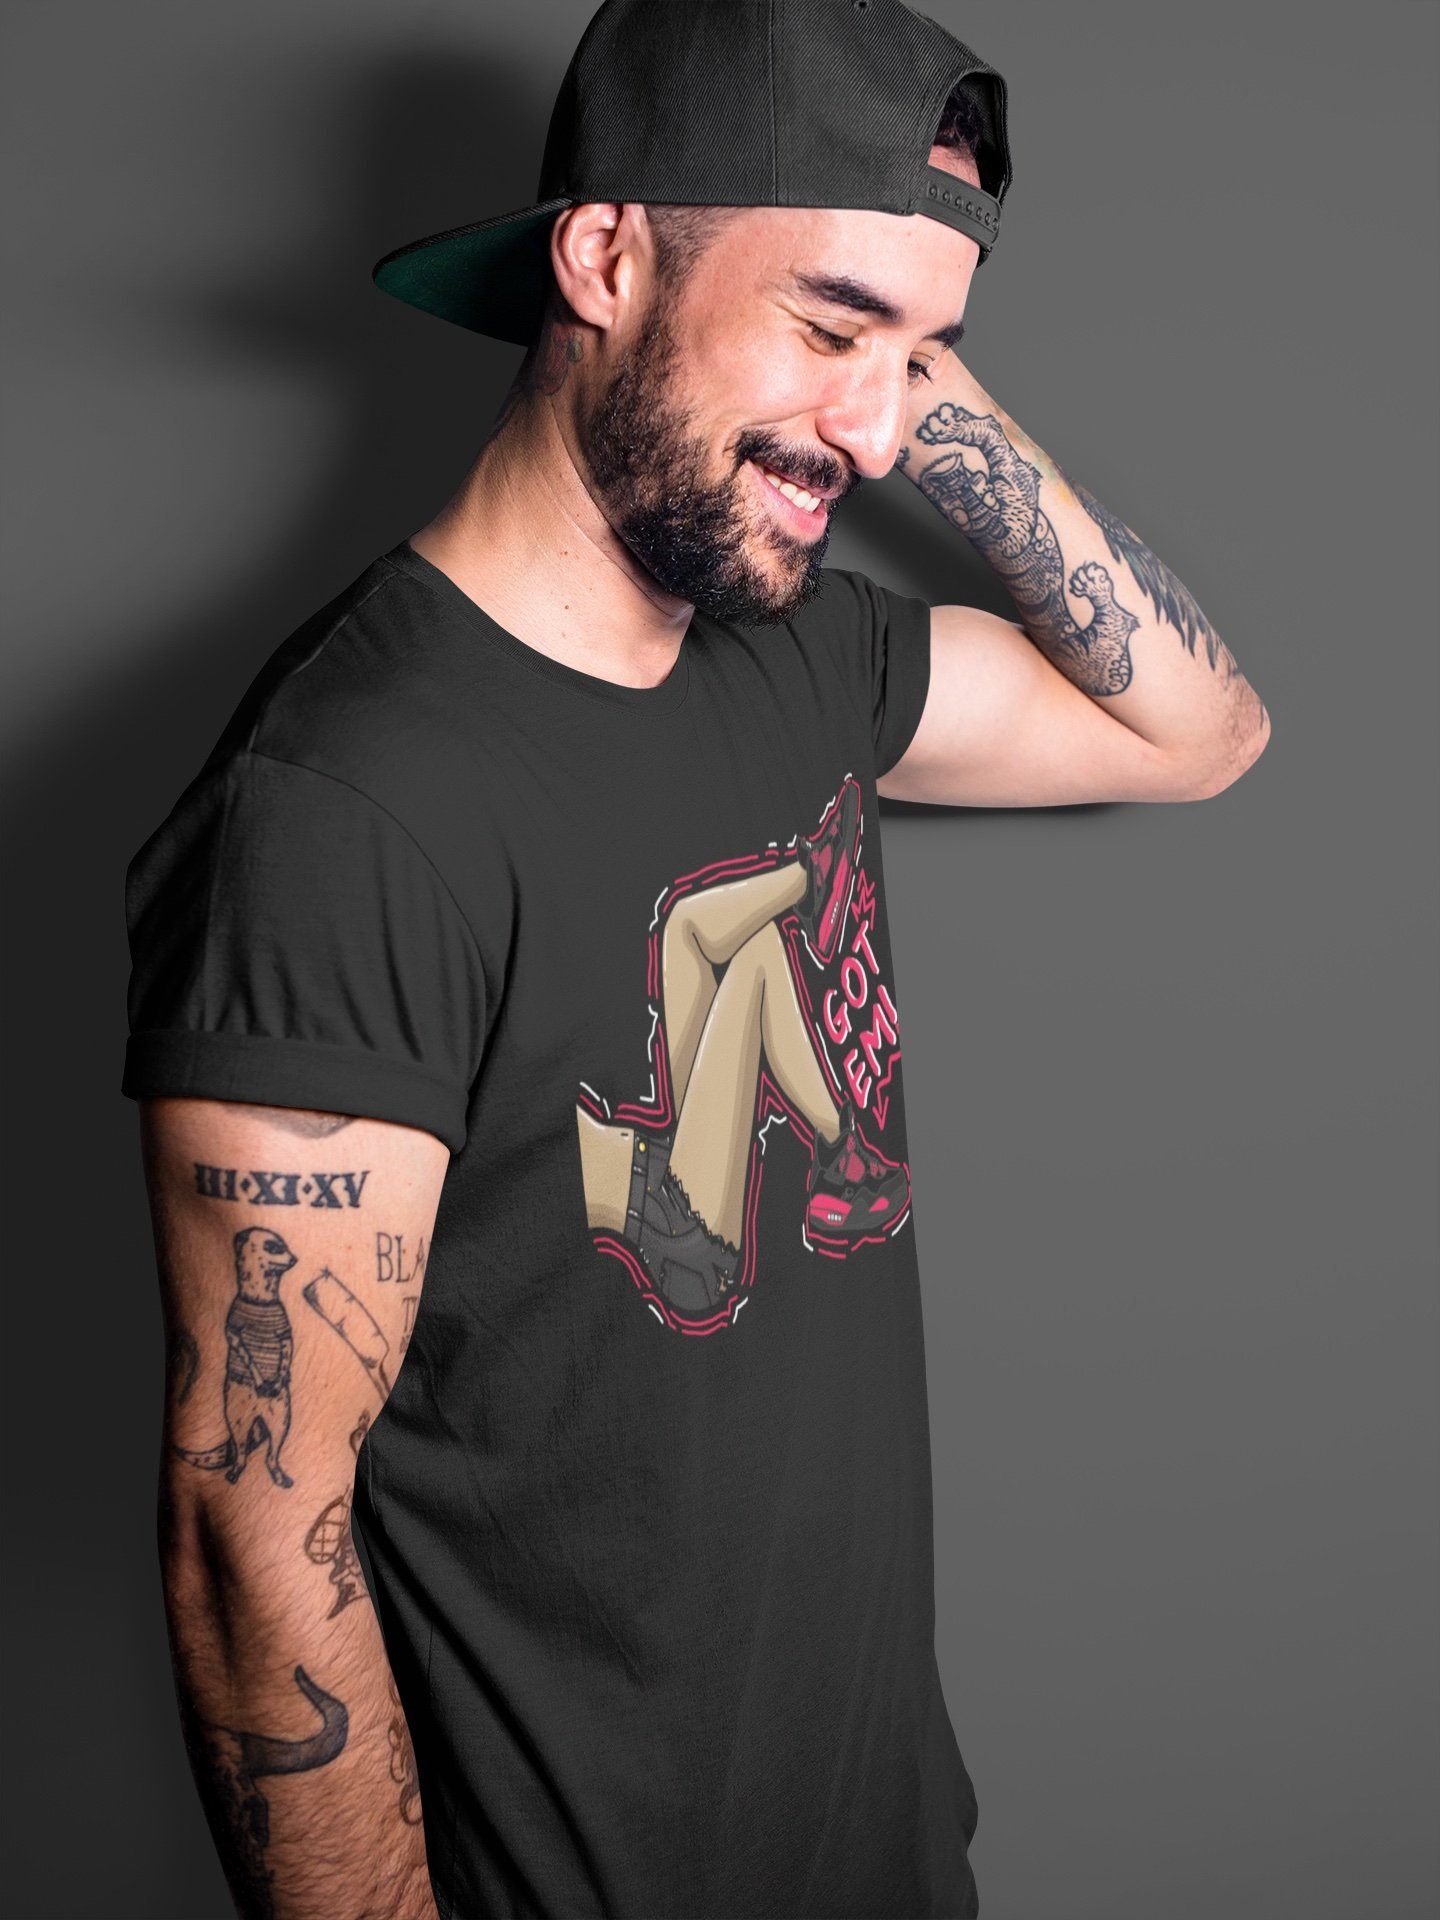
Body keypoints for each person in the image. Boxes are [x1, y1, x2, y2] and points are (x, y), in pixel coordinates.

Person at [120, 0, 1269, 1914]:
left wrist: (893, 358)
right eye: (827, 326)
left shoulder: (797, 653)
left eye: (925, 358)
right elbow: (256, 1545)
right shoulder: (345, 808)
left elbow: (1201, 734)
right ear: (602, 258)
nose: (878, 433)